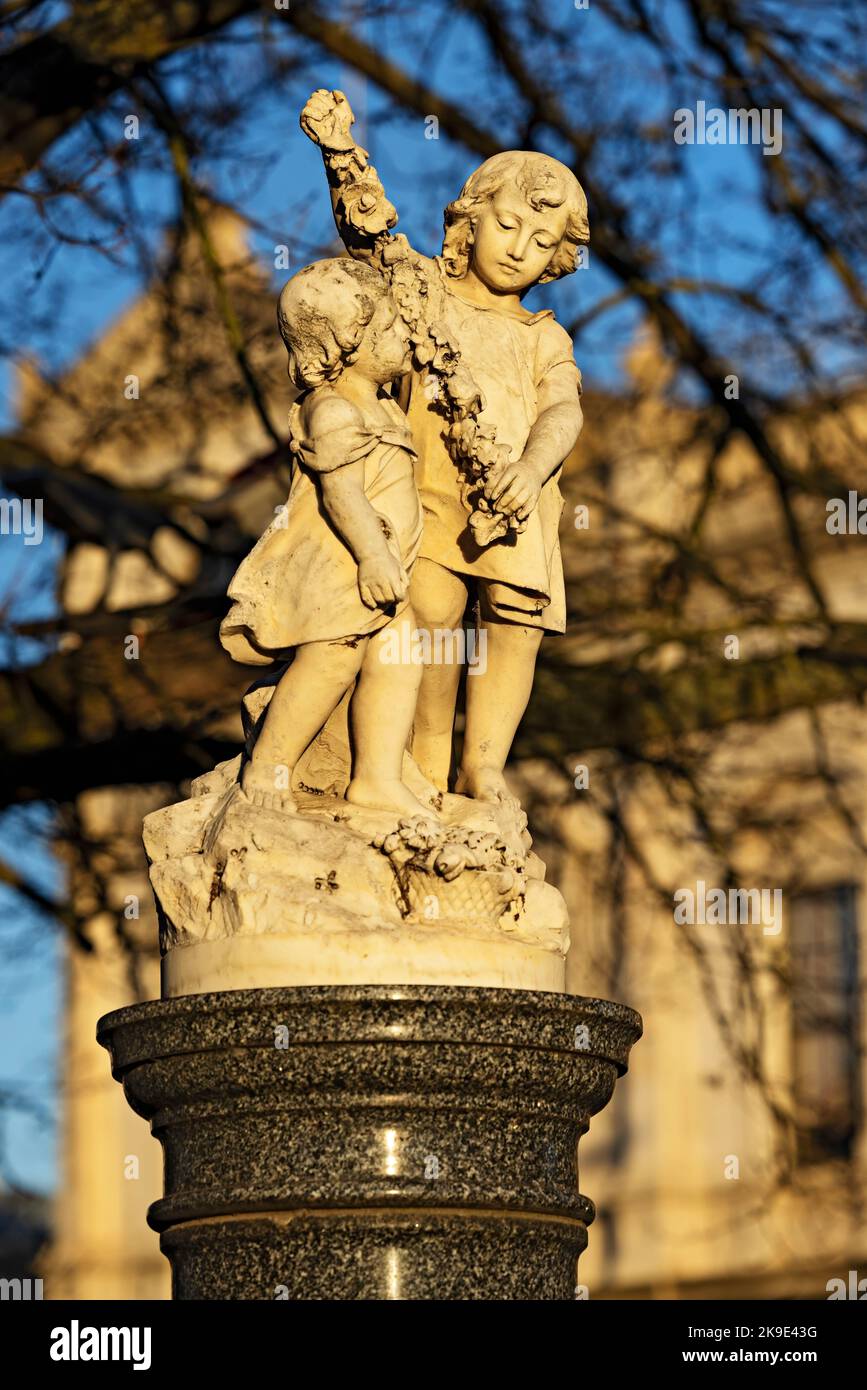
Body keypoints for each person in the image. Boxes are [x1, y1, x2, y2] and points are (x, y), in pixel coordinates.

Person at [302, 90, 587, 808]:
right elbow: (369, 238)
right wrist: (340, 152)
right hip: (425, 492)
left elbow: (563, 410)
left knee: (515, 625)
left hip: (517, 500)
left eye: (542, 241)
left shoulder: (542, 335)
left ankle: (482, 766)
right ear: (470, 215)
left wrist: (529, 467)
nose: (521, 248)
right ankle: (422, 767)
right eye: (509, 224)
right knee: (429, 620)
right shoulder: (421, 289)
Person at [219, 257, 433, 818]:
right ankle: (270, 765)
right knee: (331, 661)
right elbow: (343, 495)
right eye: (388, 328)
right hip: (344, 563)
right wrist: (373, 557)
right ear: (344, 344)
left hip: (385, 565)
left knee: (399, 653)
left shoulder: (383, 405)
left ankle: (377, 776)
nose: (403, 334)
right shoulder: (333, 410)